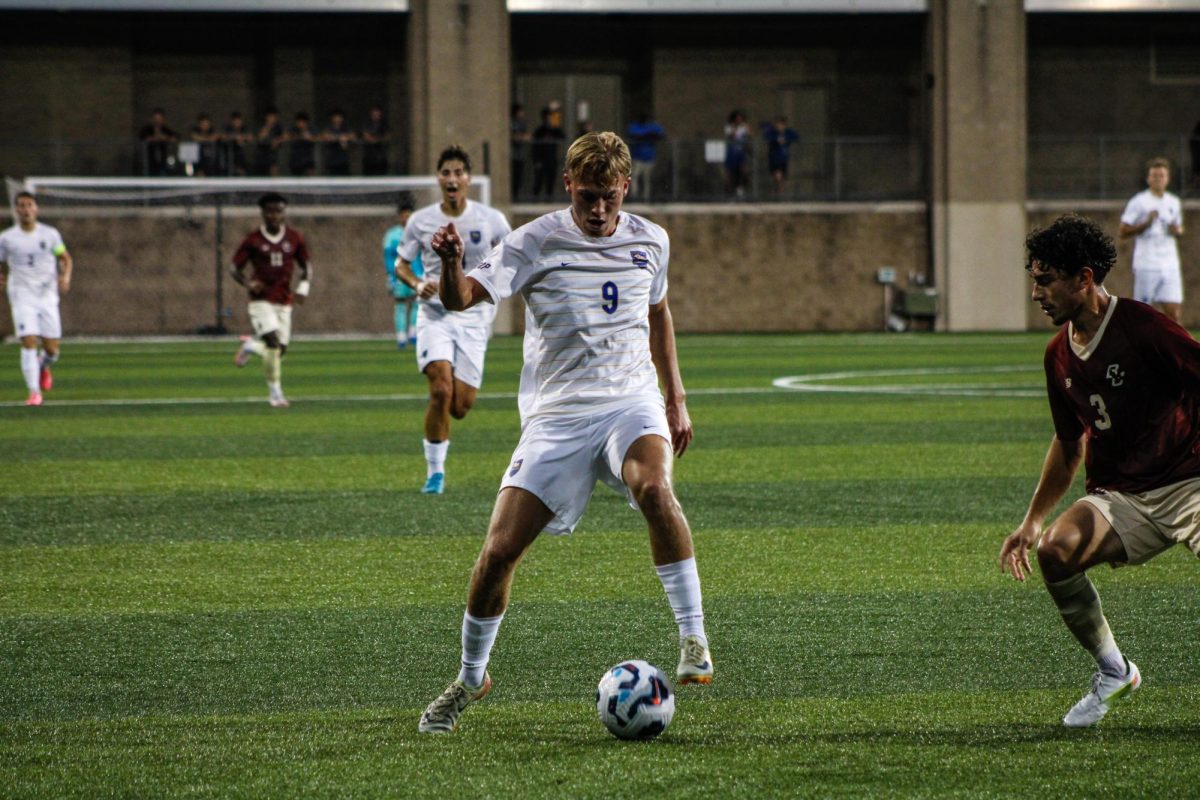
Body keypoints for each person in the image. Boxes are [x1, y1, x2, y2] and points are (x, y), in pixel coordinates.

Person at [417, 131, 712, 735]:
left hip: (630, 399)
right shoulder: (535, 240)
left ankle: (693, 638)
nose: (599, 210)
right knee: (499, 553)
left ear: (625, 187)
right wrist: (450, 265)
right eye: (588, 198)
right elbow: (463, 298)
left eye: (609, 196)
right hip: (557, 415)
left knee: (654, 489)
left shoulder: (652, 240)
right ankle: (471, 677)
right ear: (568, 186)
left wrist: (675, 397)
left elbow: (658, 313)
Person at [999, 214, 1200, 728]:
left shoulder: (1144, 327)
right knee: (1056, 551)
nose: (1036, 293)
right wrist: (1033, 520)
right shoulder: (1057, 355)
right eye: (1034, 280)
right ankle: (1114, 671)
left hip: (1190, 482)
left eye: (1045, 280)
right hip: (1125, 497)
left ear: (1084, 279)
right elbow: (1069, 445)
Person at [394, 145, 511, 494]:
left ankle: (439, 458)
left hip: (475, 318)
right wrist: (417, 284)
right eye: (446, 172)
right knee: (440, 389)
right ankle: (435, 473)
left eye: (459, 172)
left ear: (469, 179)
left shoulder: (491, 220)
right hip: (434, 316)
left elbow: (513, 258)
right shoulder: (420, 220)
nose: (452, 178)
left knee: (460, 406)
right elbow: (401, 264)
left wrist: (493, 288)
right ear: (438, 178)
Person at [230, 193, 312, 408]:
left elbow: (306, 267)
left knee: (279, 352)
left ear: (284, 213)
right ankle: (275, 394)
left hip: (284, 301)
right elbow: (234, 268)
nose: (274, 215)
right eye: (270, 211)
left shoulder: (294, 238)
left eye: (278, 211)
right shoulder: (253, 240)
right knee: (273, 343)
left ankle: (250, 346)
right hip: (260, 301)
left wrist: (303, 288)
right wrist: (248, 283)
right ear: (263, 213)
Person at [0, 192, 73, 407]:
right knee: (28, 340)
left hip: (47, 295)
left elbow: (65, 258)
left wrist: (65, 276)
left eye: (29, 205)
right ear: (16, 210)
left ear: (36, 209)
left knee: (52, 349)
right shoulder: (7, 238)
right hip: (21, 294)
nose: (25, 209)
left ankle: (43, 364)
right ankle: (34, 393)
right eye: (21, 205)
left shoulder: (49, 235)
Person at [1119, 157, 1185, 322]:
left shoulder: (1173, 202)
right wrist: (1145, 223)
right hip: (1147, 264)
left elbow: (1179, 229)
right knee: (1142, 312)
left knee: (1173, 313)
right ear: (1148, 179)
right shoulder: (1139, 202)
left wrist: (1176, 230)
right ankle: (1140, 346)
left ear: (1167, 179)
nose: (1158, 179)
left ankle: (1171, 347)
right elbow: (1123, 230)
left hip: (1170, 264)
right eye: (1154, 176)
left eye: (1161, 175)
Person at [383, 194, 422, 349]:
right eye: (403, 216)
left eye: (409, 215)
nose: (406, 218)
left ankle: (413, 332)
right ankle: (401, 336)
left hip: (416, 274)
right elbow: (388, 256)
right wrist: (390, 275)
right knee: (400, 304)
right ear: (400, 217)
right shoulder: (392, 235)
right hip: (398, 275)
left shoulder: (419, 232)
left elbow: (423, 255)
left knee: (417, 302)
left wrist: (422, 272)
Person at [531, 101, 566, 199]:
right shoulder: (539, 131)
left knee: (551, 179)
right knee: (539, 180)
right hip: (541, 159)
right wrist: (536, 160)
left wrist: (556, 123)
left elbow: (562, 136)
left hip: (551, 158)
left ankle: (549, 198)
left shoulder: (554, 130)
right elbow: (535, 146)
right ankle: (535, 198)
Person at [627, 113, 665, 201]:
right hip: (637, 158)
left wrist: (646, 135)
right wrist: (648, 135)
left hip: (649, 158)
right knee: (634, 178)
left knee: (647, 179)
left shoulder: (653, 126)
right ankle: (634, 197)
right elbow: (634, 135)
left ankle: (646, 198)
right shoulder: (635, 126)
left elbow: (660, 135)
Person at [762, 116, 799, 196]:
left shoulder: (788, 132)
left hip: (783, 158)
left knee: (781, 176)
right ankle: (777, 192)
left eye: (782, 124)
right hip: (773, 158)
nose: (780, 126)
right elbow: (767, 136)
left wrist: (786, 139)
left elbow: (796, 136)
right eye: (778, 124)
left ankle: (779, 193)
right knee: (776, 176)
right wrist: (776, 139)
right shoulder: (772, 132)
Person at [138, 108, 178, 177]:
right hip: (149, 160)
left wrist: (165, 138)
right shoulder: (147, 129)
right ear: (152, 119)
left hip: (163, 159)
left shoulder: (165, 129)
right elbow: (143, 138)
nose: (157, 121)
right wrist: (156, 138)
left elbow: (174, 138)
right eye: (156, 119)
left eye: (160, 119)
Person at [320, 109, 355, 176]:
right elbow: (325, 136)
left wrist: (345, 138)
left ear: (342, 118)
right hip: (332, 161)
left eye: (339, 117)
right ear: (332, 118)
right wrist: (340, 138)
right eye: (335, 117)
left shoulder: (346, 128)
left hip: (343, 161)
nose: (337, 119)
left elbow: (353, 136)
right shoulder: (328, 128)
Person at [724, 110, 751, 198]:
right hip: (732, 152)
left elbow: (749, 135)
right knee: (731, 174)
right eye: (737, 119)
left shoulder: (744, 127)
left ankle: (741, 187)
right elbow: (732, 135)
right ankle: (730, 192)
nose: (739, 121)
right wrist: (734, 127)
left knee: (743, 171)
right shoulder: (729, 127)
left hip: (741, 153)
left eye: (741, 119)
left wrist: (747, 129)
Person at [253, 107, 284, 177]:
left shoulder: (278, 127)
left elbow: (286, 135)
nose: (272, 119)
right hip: (261, 155)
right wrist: (268, 126)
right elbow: (260, 137)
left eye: (274, 117)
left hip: (273, 154)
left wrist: (278, 140)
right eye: (270, 117)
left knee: (274, 171)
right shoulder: (261, 126)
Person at [361, 105, 390, 176]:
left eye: (377, 114)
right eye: (374, 114)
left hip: (381, 158)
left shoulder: (384, 125)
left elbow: (387, 137)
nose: (376, 116)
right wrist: (379, 138)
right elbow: (367, 138)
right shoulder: (367, 124)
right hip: (369, 157)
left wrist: (377, 139)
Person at [221, 111, 252, 176]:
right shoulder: (228, 128)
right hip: (229, 157)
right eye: (236, 121)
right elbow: (222, 137)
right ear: (232, 121)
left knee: (242, 171)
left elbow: (250, 137)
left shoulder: (244, 128)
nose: (237, 123)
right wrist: (235, 137)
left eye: (239, 121)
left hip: (241, 156)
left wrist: (242, 137)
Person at [287, 112, 317, 177]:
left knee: (311, 179)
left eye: (303, 122)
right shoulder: (293, 129)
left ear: (307, 122)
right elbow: (287, 136)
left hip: (308, 159)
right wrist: (298, 136)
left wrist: (307, 136)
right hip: (295, 160)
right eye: (299, 122)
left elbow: (316, 138)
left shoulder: (311, 129)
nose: (301, 124)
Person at [510, 103, 530, 198]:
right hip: (513, 155)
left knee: (519, 176)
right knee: (514, 175)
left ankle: (517, 194)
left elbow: (527, 136)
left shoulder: (522, 123)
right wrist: (519, 137)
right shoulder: (511, 123)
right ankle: (514, 194)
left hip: (520, 155)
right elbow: (513, 137)